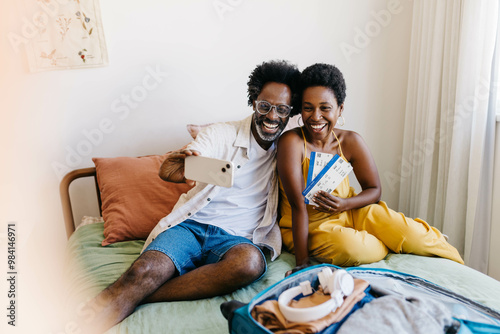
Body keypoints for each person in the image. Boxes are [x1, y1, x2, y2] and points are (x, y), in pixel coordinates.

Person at [79, 60, 300, 333]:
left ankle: (140, 294)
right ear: (254, 102)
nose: (272, 116)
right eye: (264, 106)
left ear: (291, 112)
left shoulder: (290, 147)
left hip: (239, 239)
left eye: (282, 110)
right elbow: (177, 166)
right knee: (142, 272)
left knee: (252, 263)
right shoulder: (221, 133)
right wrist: (188, 161)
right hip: (191, 227)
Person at [276, 63, 464, 275]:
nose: (316, 116)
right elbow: (298, 206)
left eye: (325, 108)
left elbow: (374, 190)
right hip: (309, 225)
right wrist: (301, 264)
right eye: (308, 107)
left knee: (411, 233)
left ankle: (431, 245)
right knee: (353, 248)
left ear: (340, 109)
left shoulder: (350, 141)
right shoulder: (291, 143)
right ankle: (390, 244)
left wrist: (345, 204)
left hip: (350, 210)